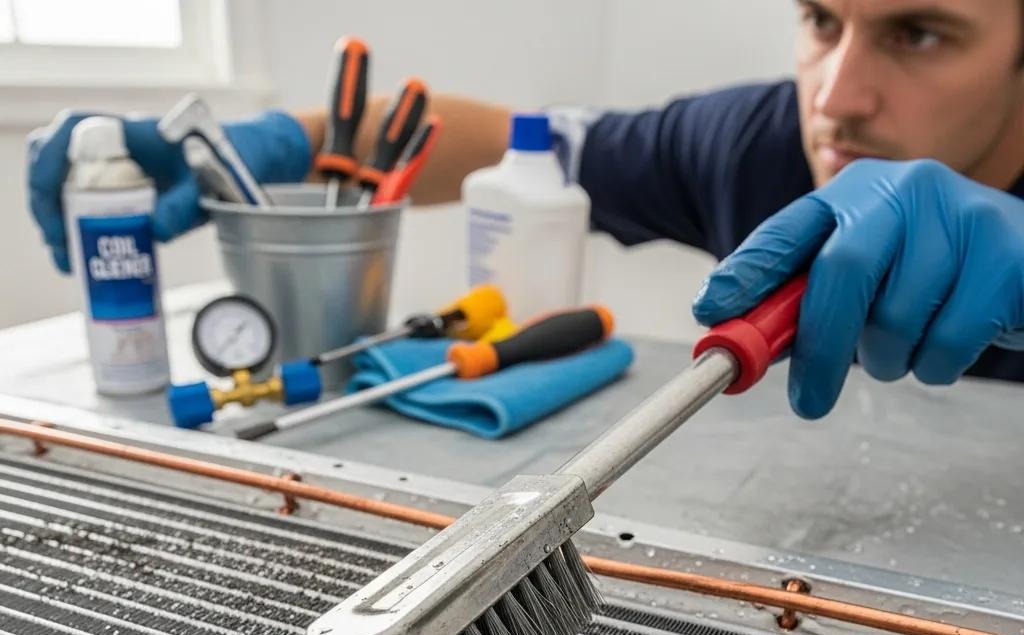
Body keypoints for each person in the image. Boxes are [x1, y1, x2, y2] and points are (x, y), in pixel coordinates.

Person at [28, 0, 1023, 419]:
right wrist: (273, 142)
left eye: (922, 33)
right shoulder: (752, 140)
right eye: (820, 19)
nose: (836, 96)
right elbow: (517, 140)